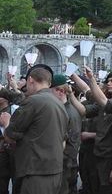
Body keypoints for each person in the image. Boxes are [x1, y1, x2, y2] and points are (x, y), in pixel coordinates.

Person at [0, 64, 68, 194]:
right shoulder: (59, 103)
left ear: (30, 80)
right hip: (54, 171)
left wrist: (6, 122)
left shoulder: (33, 101)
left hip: (35, 172)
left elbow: (10, 136)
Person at [70, 70, 112, 194]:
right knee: (94, 185)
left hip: (111, 156)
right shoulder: (105, 103)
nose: (109, 84)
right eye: (108, 81)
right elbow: (85, 102)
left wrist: (91, 78)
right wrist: (71, 90)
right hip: (98, 154)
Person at [51, 74, 83, 194]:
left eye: (50, 91)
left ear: (60, 91)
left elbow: (71, 145)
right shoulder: (62, 110)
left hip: (65, 166)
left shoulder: (67, 112)